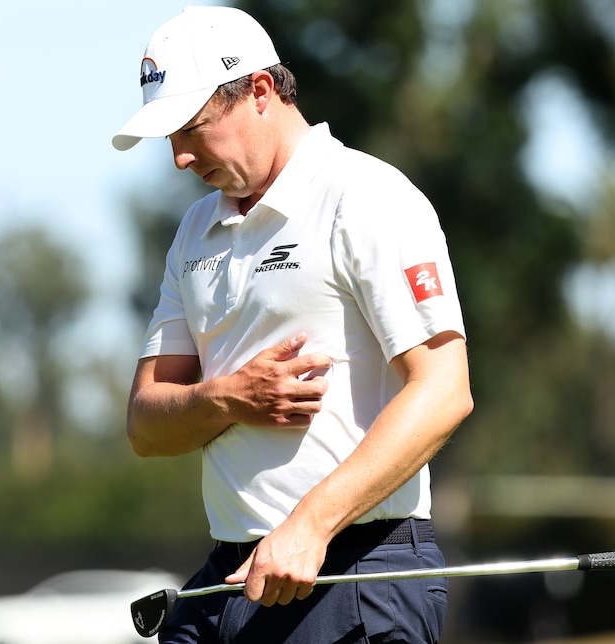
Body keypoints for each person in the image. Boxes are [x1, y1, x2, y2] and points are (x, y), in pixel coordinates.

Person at [113, 6, 473, 643]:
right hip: (231, 577)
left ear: (259, 90)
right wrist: (229, 397)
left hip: (358, 572)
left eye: (191, 129)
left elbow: (445, 391)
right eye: (169, 138)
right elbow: (146, 424)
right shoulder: (194, 231)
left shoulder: (365, 195)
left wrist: (311, 524)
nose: (179, 158)